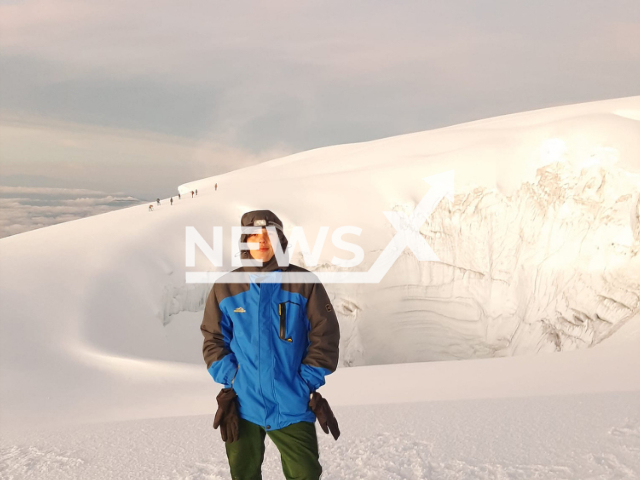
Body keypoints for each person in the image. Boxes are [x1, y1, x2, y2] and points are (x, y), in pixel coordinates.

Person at [201, 210, 340, 480]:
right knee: (243, 474)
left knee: (306, 473)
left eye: (269, 234)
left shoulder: (304, 283)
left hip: (292, 402)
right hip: (243, 405)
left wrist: (306, 382)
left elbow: (326, 334)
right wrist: (232, 377)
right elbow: (213, 338)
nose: (262, 240)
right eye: (254, 235)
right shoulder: (226, 287)